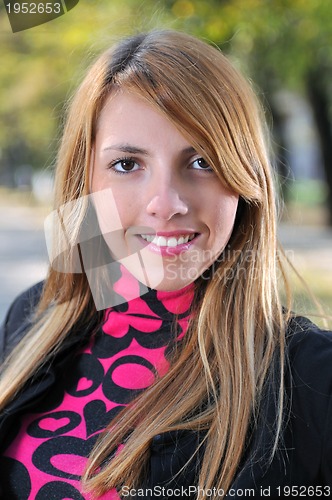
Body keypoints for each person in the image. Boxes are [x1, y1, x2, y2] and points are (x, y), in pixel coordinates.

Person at [0, 29, 332, 500]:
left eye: (200, 160)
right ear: (85, 177)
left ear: (244, 178)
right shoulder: (31, 317)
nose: (166, 203)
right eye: (127, 164)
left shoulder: (314, 379)